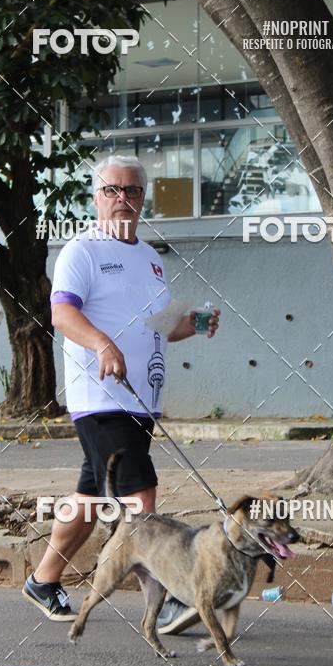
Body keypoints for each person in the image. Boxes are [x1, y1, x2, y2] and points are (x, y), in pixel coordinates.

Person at [22, 155, 220, 631]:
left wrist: (192, 324)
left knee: (89, 498)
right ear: (96, 197)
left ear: (142, 198)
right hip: (100, 395)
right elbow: (62, 316)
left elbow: (158, 328)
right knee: (140, 497)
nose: (122, 199)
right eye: (112, 190)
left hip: (140, 398)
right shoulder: (81, 252)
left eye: (131, 191)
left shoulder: (150, 259)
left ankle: (43, 579)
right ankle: (174, 598)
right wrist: (103, 344)